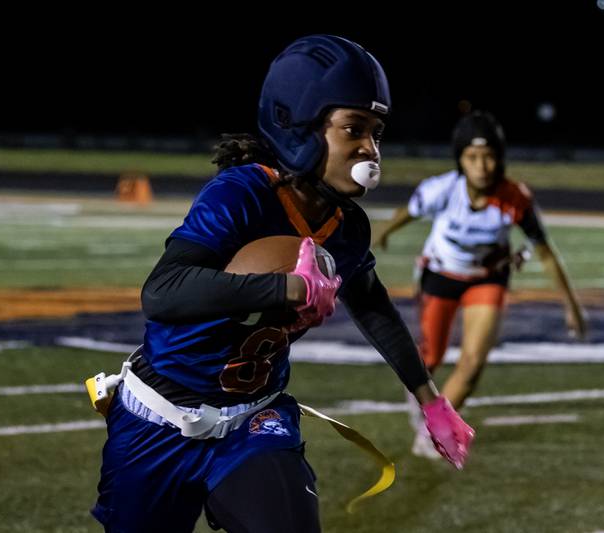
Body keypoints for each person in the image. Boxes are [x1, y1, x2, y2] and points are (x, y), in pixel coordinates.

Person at [91, 35, 474, 533]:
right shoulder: (242, 193)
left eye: (377, 132)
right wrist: (284, 290)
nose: (370, 149)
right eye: (353, 129)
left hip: (255, 419)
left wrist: (430, 399)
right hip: (160, 420)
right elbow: (163, 293)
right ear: (300, 127)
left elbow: (373, 306)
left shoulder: (348, 225)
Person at [373, 110, 587, 458]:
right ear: (460, 159)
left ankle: (434, 434)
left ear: (500, 158)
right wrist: (384, 232)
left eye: (489, 156)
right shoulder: (442, 189)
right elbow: (410, 210)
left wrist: (572, 306)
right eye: (473, 157)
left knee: (472, 363)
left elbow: (546, 253)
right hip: (441, 274)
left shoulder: (515, 198)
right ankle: (422, 398)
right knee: (432, 355)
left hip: (487, 279)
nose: (482, 165)